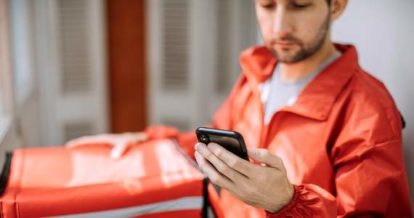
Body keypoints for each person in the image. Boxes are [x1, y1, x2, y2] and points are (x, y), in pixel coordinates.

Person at [68, 0, 413, 216]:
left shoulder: (368, 110)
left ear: (336, 5)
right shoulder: (257, 75)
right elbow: (211, 144)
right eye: (267, 5)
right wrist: (147, 143)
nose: (279, 27)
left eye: (299, 5)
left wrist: (288, 202)